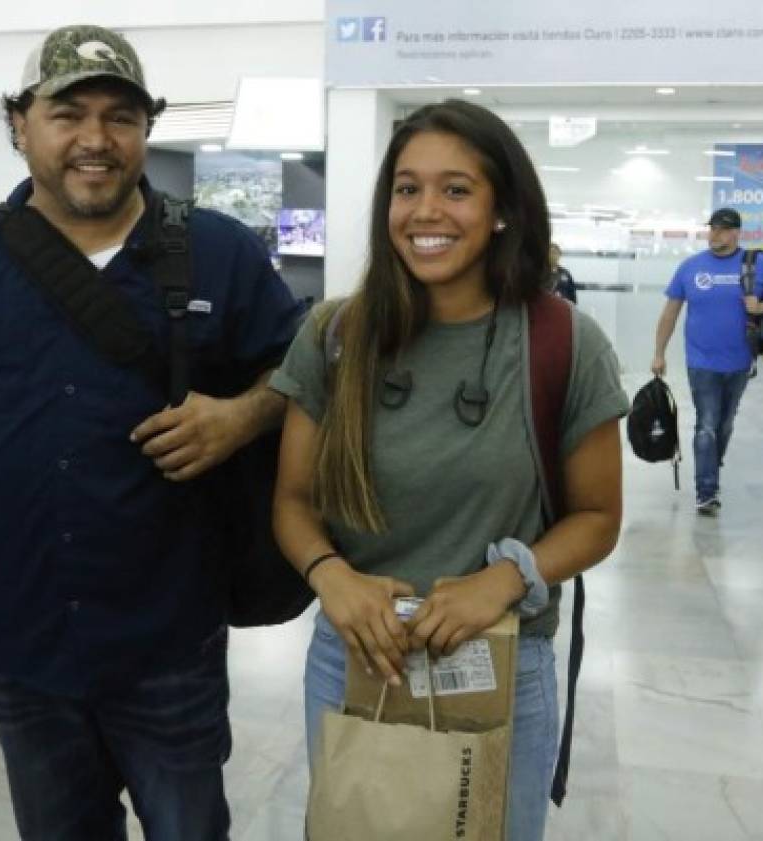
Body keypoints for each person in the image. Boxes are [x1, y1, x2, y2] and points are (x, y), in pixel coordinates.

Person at [0, 24, 300, 841]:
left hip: (170, 638)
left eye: (120, 116)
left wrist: (241, 415)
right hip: (24, 641)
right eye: (67, 112)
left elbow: (305, 371)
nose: (95, 139)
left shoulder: (216, 251)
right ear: (19, 123)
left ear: (147, 129)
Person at [269, 100, 628, 841]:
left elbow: (597, 517)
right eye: (407, 188)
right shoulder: (337, 334)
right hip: (354, 655)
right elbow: (293, 501)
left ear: (502, 209)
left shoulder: (563, 341)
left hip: (500, 660)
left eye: (456, 189)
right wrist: (332, 575)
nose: (425, 210)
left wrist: (507, 576)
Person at [651, 207, 763, 514]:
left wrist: (761, 306)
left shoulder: (759, 265)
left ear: (736, 232)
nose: (715, 234)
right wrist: (659, 353)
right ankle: (706, 490)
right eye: (712, 228)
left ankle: (712, 462)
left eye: (722, 229)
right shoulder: (690, 267)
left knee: (724, 425)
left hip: (740, 361)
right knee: (707, 424)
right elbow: (670, 312)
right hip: (701, 361)